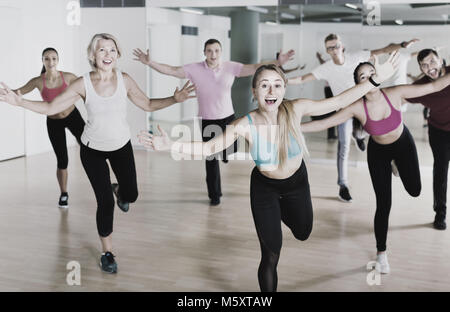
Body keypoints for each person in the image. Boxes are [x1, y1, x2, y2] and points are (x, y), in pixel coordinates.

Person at [137, 54, 398, 291]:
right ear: (254, 92)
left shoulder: (296, 109)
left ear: (284, 89)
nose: (271, 90)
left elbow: (340, 100)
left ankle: (281, 211)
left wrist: (375, 80)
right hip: (264, 189)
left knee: (303, 231)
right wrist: (170, 145)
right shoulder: (244, 125)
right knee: (271, 255)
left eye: (277, 84)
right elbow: (209, 148)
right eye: (264, 85)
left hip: (297, 183)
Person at [0, 33, 196, 273]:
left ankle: (119, 190)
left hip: (121, 146)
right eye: (102, 50)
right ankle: (107, 252)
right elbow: (51, 107)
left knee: (131, 195)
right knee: (104, 203)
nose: (108, 54)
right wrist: (20, 102)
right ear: (93, 55)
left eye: (112, 50)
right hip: (92, 150)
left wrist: (174, 99)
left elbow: (147, 104)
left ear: (118, 54)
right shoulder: (82, 83)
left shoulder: (125, 79)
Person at [301, 60, 450, 274]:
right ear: (359, 84)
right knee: (383, 204)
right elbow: (324, 123)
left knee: (415, 190)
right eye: (363, 76)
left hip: (403, 144)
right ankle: (381, 254)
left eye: (373, 72)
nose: (370, 78)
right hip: (379, 152)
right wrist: (292, 128)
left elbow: (434, 86)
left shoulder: (395, 92)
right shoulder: (357, 106)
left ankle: (396, 164)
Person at [133, 39, 295, 206]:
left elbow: (254, 67)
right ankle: (214, 195)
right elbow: (172, 70)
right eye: (209, 51)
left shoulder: (231, 67)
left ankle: (224, 154)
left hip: (228, 118)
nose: (213, 54)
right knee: (210, 159)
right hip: (207, 119)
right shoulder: (194, 69)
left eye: (216, 50)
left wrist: (278, 62)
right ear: (204, 52)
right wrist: (149, 62)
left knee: (230, 149)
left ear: (221, 52)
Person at [288, 34, 419, 203]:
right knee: (344, 146)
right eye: (330, 48)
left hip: (365, 107)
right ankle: (343, 185)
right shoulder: (326, 68)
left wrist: (402, 44)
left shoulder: (356, 57)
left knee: (374, 131)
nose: (334, 50)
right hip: (346, 111)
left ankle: (363, 138)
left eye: (336, 46)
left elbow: (384, 50)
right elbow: (301, 78)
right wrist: (282, 81)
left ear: (342, 46)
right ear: (327, 51)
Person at [12, 48, 85, 209]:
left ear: (58, 60)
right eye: (47, 59)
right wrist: (5, 93)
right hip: (54, 122)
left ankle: (107, 183)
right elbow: (18, 92)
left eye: (53, 58)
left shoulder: (68, 77)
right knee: (62, 160)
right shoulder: (38, 81)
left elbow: (87, 89)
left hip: (73, 117)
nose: (50, 62)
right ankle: (64, 194)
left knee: (90, 148)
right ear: (43, 61)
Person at [406, 49, 450, 230]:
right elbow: (400, 96)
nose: (429, 67)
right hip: (439, 131)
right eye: (424, 65)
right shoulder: (421, 87)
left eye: (432, 62)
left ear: (440, 61)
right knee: (440, 171)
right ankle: (440, 212)